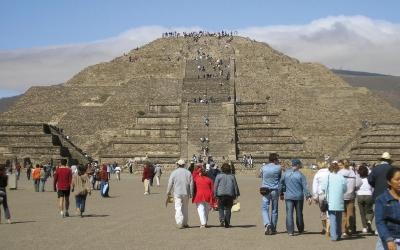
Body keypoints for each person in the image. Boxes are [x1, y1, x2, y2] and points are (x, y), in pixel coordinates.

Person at [280, 159, 312, 236]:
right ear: (297, 165)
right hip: (298, 197)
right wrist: (308, 196)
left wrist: (281, 193)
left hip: (288, 196)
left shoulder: (285, 174)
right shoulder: (300, 175)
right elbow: (305, 187)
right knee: (299, 214)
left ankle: (290, 231)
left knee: (289, 214)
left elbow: (281, 184)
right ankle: (300, 229)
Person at [375, 167, 400, 250]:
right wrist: (388, 239)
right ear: (389, 182)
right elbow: (380, 222)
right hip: (389, 240)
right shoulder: (382, 199)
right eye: (397, 180)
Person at [322, 162, 347, 241]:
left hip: (330, 200)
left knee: (332, 218)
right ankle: (339, 234)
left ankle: (334, 236)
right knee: (339, 218)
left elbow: (323, 188)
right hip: (339, 199)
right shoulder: (341, 177)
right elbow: (345, 189)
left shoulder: (328, 177)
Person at [166, 159, 194, 229]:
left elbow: (170, 183)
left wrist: (168, 191)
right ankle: (185, 223)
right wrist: (191, 193)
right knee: (185, 208)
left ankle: (179, 222)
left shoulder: (174, 172)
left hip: (177, 192)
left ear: (178, 164)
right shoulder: (188, 173)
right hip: (186, 192)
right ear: (184, 165)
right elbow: (191, 184)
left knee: (178, 207)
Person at [259, 153, 282, 235]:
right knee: (274, 210)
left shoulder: (263, 167)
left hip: (265, 190)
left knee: (265, 208)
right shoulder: (279, 168)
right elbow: (280, 179)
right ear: (275, 159)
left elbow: (261, 176)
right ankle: (273, 228)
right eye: (278, 159)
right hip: (275, 190)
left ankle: (267, 223)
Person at [338, 159, 361, 237]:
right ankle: (349, 228)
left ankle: (344, 230)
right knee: (350, 213)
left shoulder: (339, 172)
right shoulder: (353, 172)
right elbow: (359, 183)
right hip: (351, 195)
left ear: (343, 165)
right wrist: (354, 188)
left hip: (341, 195)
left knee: (343, 213)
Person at [214, 163, 240, 228]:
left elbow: (215, 186)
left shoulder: (218, 176)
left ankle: (222, 219)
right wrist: (237, 194)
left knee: (221, 208)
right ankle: (227, 222)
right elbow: (235, 185)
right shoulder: (232, 176)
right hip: (230, 194)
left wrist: (214, 194)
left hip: (220, 194)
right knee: (228, 208)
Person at [312, 161, 331, 234]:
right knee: (330, 212)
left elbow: (315, 186)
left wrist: (315, 197)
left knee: (323, 211)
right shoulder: (330, 173)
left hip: (321, 195)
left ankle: (324, 228)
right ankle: (330, 227)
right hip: (330, 194)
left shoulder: (318, 174)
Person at [356, 164, 374, 234]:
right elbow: (372, 188)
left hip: (360, 195)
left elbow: (356, 188)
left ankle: (364, 228)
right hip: (368, 195)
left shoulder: (358, 179)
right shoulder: (369, 179)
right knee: (370, 211)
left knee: (362, 212)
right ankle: (369, 221)